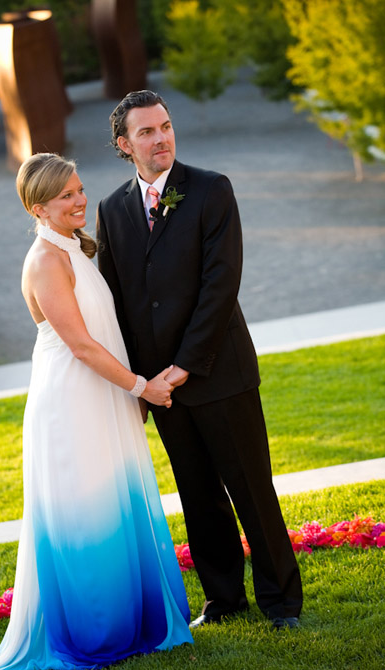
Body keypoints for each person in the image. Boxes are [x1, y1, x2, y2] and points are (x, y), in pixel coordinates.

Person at [0, 153, 192, 670]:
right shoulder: (46, 261)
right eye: (67, 196)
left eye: (80, 189)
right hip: (73, 399)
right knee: (86, 510)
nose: (81, 200)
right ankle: (95, 633)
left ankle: (137, 621)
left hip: (102, 392)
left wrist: (129, 389)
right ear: (39, 207)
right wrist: (139, 386)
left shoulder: (75, 247)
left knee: (116, 498)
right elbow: (80, 344)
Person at [96, 90, 303, 630]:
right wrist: (140, 385)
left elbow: (220, 286)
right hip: (161, 389)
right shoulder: (112, 209)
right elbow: (115, 298)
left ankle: (282, 603)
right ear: (124, 144)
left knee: (253, 491)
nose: (161, 137)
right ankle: (224, 600)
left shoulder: (212, 189)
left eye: (165, 126)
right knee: (198, 496)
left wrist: (184, 365)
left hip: (219, 371)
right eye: (146, 131)